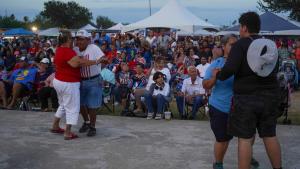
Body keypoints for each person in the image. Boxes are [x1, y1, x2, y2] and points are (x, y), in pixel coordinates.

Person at [215, 12, 282, 169]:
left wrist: (219, 74)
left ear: (244, 27)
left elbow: (229, 70)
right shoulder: (271, 45)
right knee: (270, 135)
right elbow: (275, 69)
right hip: (270, 95)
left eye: (240, 26)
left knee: (244, 138)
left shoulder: (240, 44)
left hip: (246, 98)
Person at [50, 30, 101, 140]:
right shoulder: (68, 51)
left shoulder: (60, 49)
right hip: (68, 82)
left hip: (60, 81)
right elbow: (77, 63)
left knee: (64, 105)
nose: (75, 41)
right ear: (69, 40)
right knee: (72, 108)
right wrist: (95, 62)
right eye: (74, 39)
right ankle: (67, 132)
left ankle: (55, 125)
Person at [203, 34, 237, 169]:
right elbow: (206, 85)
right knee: (221, 138)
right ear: (223, 47)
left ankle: (220, 161)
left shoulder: (241, 63)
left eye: (236, 45)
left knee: (227, 138)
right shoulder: (216, 64)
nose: (234, 47)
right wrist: (215, 77)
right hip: (219, 107)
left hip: (236, 108)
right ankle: (218, 164)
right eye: (231, 45)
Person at [74, 29, 106, 137]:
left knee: (92, 105)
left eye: (82, 39)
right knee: (80, 103)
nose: (79, 41)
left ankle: (92, 126)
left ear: (88, 40)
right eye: (77, 39)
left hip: (94, 80)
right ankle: (86, 122)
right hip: (81, 80)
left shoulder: (93, 48)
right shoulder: (75, 50)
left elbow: (103, 58)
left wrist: (101, 62)